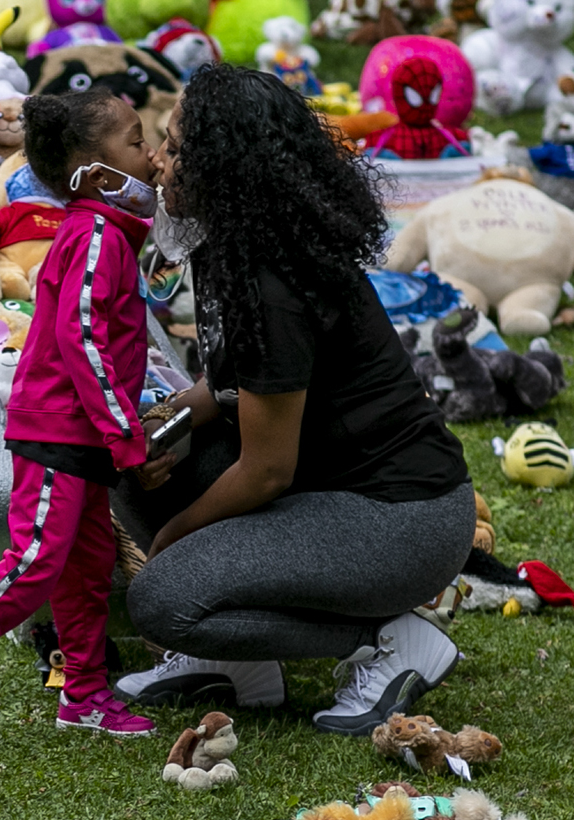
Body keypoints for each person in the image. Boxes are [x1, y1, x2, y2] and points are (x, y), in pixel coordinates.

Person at [117, 61, 477, 732]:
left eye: (174, 145)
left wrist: (170, 540)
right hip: (331, 491)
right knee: (131, 460)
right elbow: (231, 387)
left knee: (163, 601)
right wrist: (160, 423)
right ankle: (239, 665)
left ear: (223, 168)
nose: (159, 160)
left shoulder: (274, 285)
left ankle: (390, 642)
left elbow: (266, 470)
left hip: (402, 521)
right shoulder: (235, 242)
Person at [0, 87, 160, 745]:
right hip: (59, 427)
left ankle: (85, 693)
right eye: (135, 141)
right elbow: (80, 333)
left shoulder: (110, 235)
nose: (152, 154)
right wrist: (123, 429)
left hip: (81, 431)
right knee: (38, 556)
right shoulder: (97, 234)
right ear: (99, 173)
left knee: (87, 564)